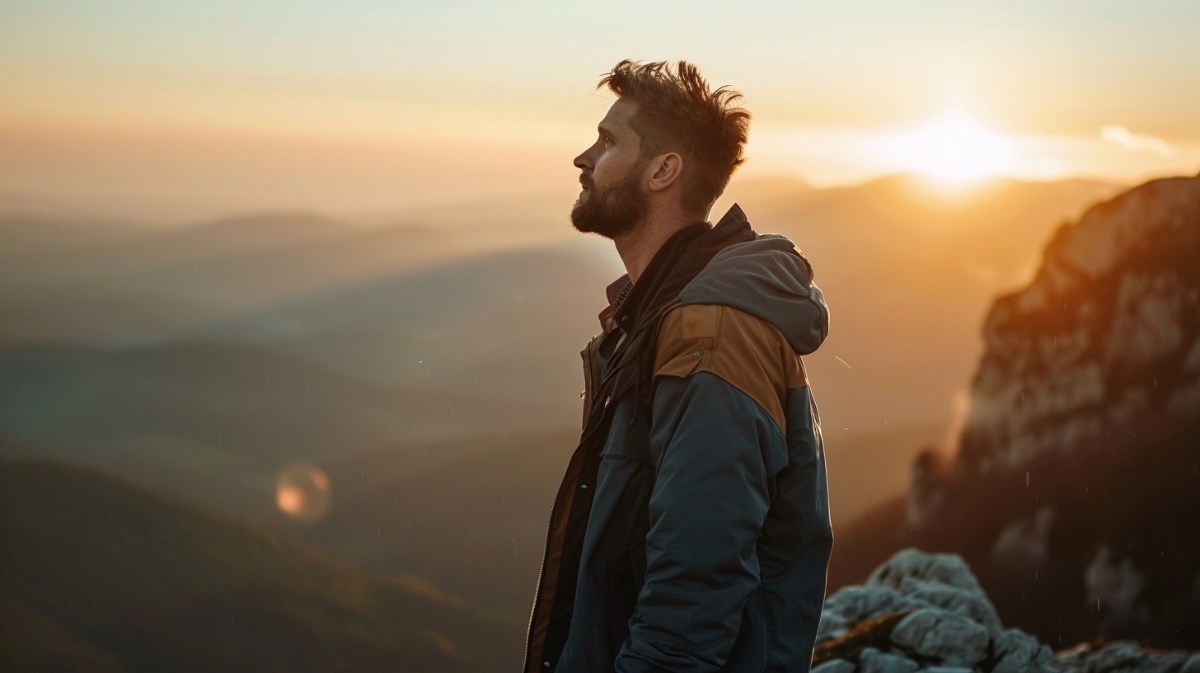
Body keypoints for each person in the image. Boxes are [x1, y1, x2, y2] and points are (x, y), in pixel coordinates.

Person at [523, 60, 833, 673]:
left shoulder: (710, 332)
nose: (582, 158)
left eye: (609, 141)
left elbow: (696, 584)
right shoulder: (659, 317)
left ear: (664, 171)